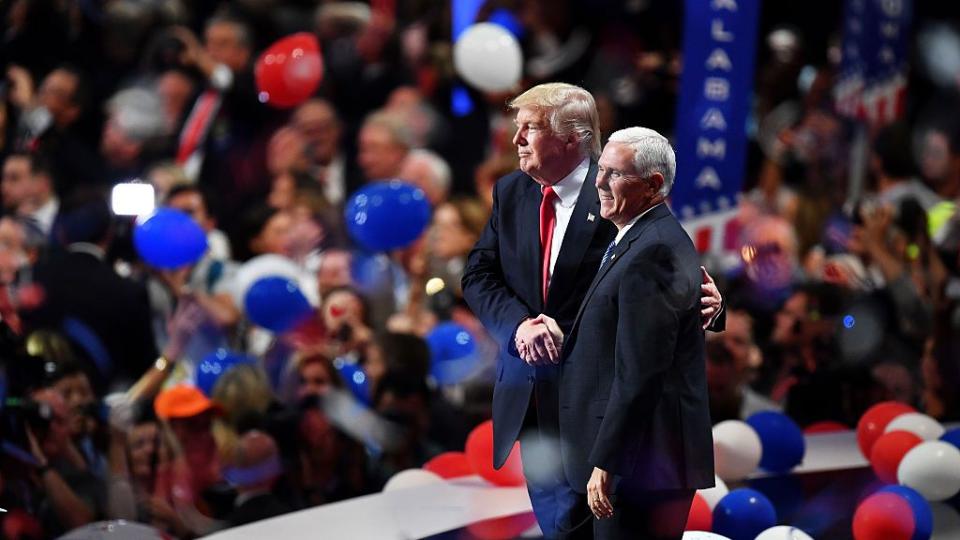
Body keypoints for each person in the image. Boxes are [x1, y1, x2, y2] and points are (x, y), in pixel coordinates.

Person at [461, 83, 723, 538]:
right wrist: (519, 326)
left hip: (605, 411)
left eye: (531, 128)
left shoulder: (620, 196)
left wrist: (713, 307)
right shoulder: (512, 193)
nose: (516, 139)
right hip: (534, 406)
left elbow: (658, 282)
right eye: (517, 127)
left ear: (572, 138)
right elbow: (479, 273)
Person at [552, 127, 714, 539]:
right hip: (636, 461)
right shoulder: (636, 236)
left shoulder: (653, 249)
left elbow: (641, 369)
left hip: (640, 468)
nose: (600, 183)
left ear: (653, 185)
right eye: (600, 170)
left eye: (614, 174)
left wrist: (609, 462)